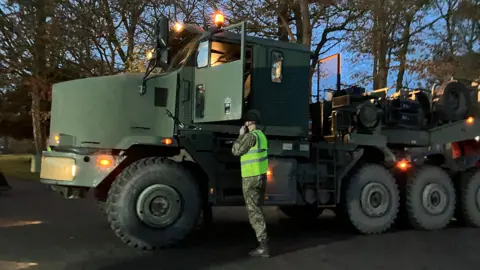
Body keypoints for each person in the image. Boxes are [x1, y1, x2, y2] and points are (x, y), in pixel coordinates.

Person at [231, 109, 270, 258]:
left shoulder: (250, 137)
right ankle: (262, 242)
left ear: (248, 123)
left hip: (251, 177)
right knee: (258, 209)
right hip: (261, 177)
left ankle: (263, 246)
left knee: (254, 212)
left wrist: (240, 135)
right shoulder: (261, 136)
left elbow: (236, 150)